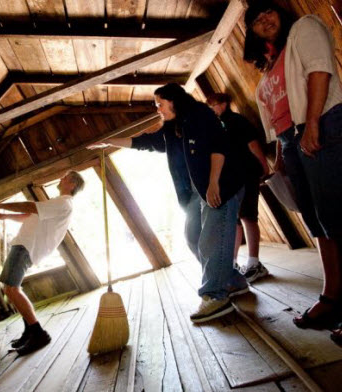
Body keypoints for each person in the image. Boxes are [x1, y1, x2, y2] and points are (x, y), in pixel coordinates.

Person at [243, 0, 342, 344]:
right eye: (255, 18)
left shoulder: (303, 28)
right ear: (250, 31)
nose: (265, 18)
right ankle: (332, 296)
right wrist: (281, 154)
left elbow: (319, 71)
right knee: (319, 222)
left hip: (324, 122)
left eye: (269, 10)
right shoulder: (270, 65)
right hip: (291, 139)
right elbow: (277, 115)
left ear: (281, 13)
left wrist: (312, 125)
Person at [90, 83, 247, 323]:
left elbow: (219, 148)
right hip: (197, 191)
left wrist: (214, 182)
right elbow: (145, 142)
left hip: (221, 183)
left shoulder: (201, 115)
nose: (158, 109)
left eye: (159, 104)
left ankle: (215, 296)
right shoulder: (173, 129)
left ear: (174, 101)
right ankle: (232, 281)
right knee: (193, 237)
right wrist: (111, 142)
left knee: (211, 241)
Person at [0, 171, 85, 355]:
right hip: (24, 245)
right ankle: (29, 331)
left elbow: (30, 206)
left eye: (65, 178)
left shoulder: (63, 202)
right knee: (11, 289)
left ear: (72, 184)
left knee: (11, 289)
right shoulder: (56, 204)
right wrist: (4, 216)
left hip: (26, 247)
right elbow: (30, 215)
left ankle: (38, 333)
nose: (61, 179)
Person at [207, 93, 271, 283]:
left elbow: (252, 143)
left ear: (225, 104)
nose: (212, 109)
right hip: (231, 178)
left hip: (247, 172)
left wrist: (264, 165)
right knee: (233, 220)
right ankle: (232, 263)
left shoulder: (236, 120)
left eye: (214, 105)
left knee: (248, 216)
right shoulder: (216, 127)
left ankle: (254, 263)